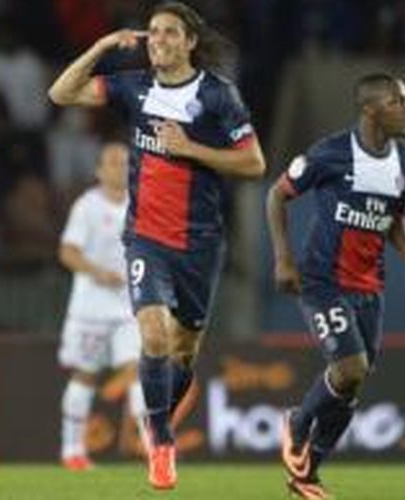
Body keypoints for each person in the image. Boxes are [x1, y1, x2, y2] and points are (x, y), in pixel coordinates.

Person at [49, 1, 267, 489]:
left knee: (184, 353)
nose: (159, 41)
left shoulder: (218, 96)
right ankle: (161, 441)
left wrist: (190, 149)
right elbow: (60, 92)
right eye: (152, 33)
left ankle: (159, 415)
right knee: (152, 337)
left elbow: (253, 163)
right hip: (145, 238)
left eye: (170, 33)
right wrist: (104, 47)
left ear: (190, 42)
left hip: (200, 243)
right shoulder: (135, 85)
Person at [266, 73, 405, 499]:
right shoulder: (331, 153)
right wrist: (283, 259)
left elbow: (393, 216)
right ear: (371, 108)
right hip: (323, 281)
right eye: (398, 101)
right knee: (349, 369)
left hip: (370, 286)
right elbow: (276, 196)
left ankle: (306, 478)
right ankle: (298, 422)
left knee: (353, 382)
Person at [57, 141, 148, 471]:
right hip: (91, 309)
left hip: (128, 308)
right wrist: (97, 272)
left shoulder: (141, 206)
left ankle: (153, 448)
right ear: (98, 170)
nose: (120, 168)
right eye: (112, 163)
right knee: (86, 375)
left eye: (125, 163)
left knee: (138, 369)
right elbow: (67, 252)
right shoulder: (87, 207)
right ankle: (72, 451)